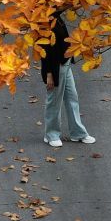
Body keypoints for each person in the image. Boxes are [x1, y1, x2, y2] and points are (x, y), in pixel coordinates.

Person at [39, 9, 94, 148]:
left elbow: (65, 4)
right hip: (56, 67)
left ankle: (78, 133)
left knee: (72, 98)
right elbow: (44, 52)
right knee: (54, 101)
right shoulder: (44, 22)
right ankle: (51, 134)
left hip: (66, 63)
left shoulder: (56, 15)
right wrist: (49, 74)